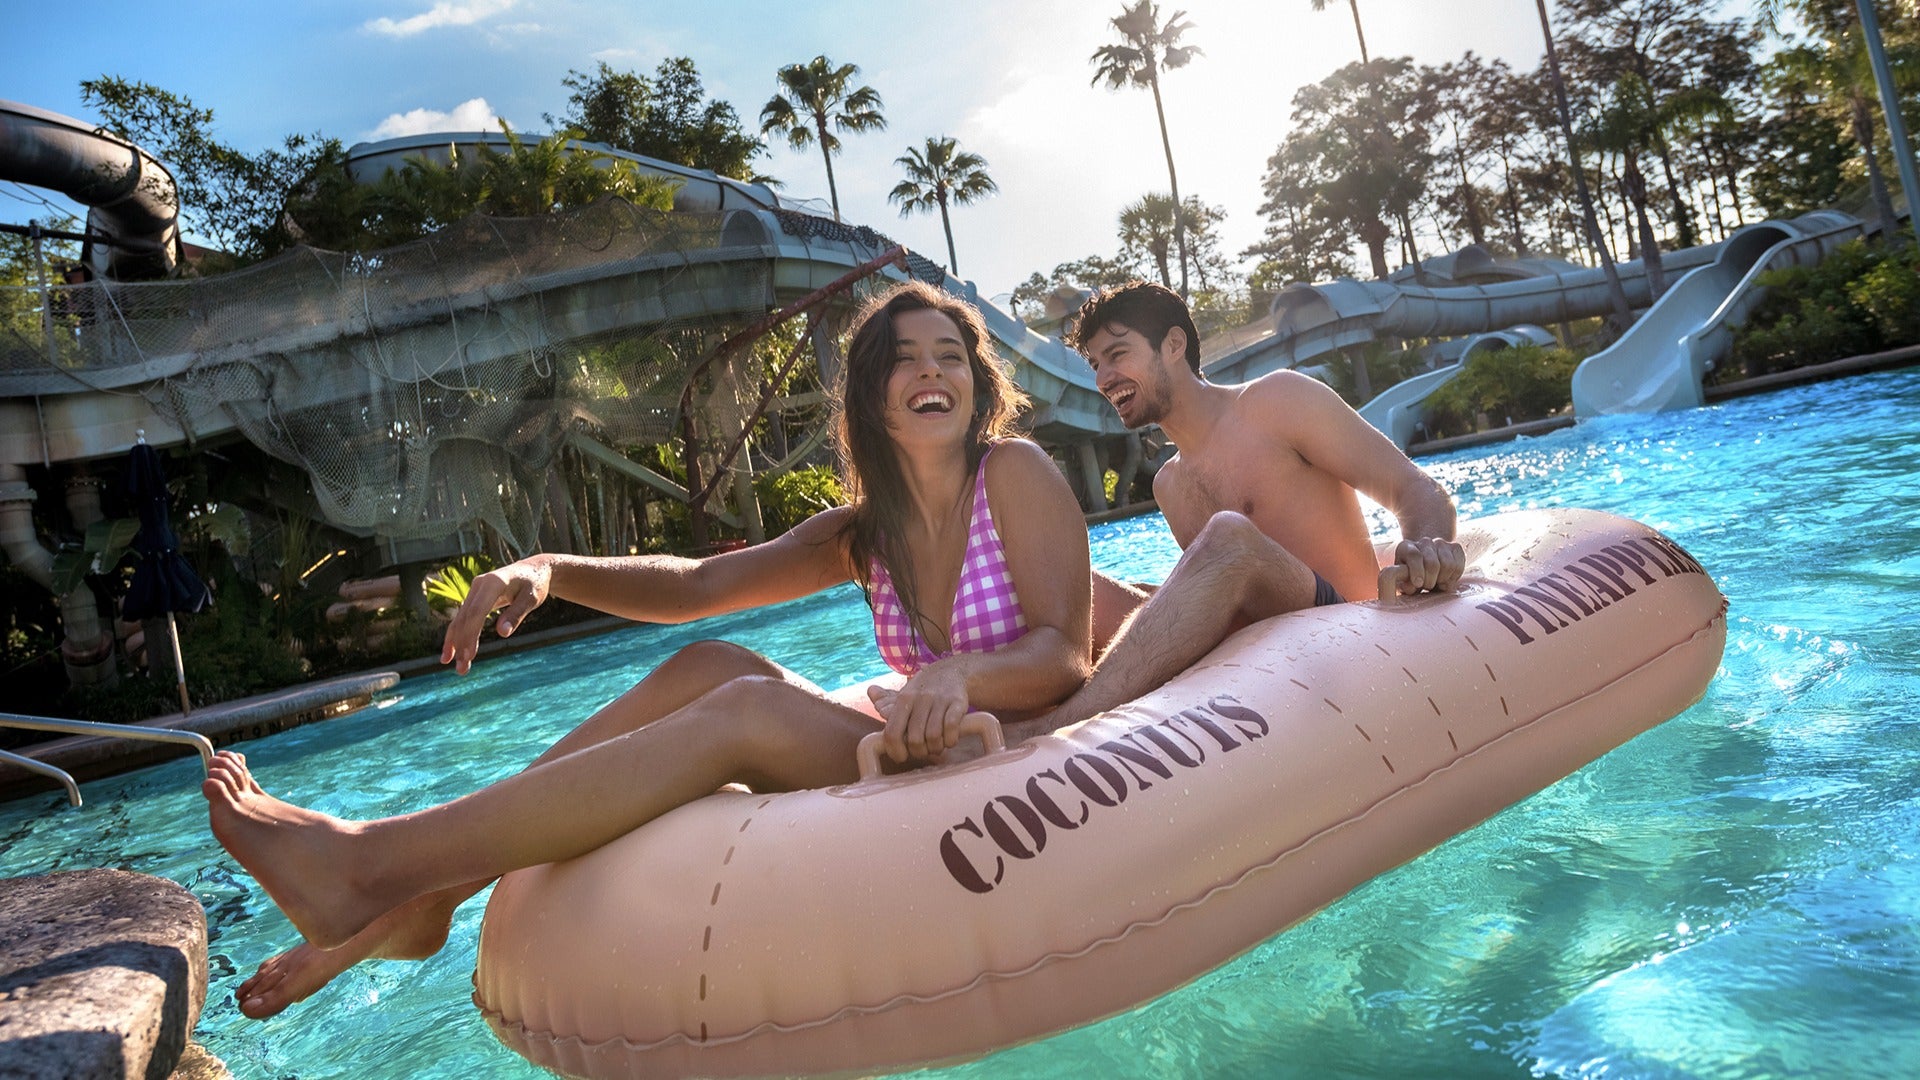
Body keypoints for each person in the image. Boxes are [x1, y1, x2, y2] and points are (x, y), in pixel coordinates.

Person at [213, 280, 1093, 1017]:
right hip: (914, 749)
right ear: (870, 393)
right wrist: (548, 570)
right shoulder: (864, 535)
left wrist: (960, 674)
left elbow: (1065, 658)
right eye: (905, 356)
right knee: (715, 664)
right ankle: (425, 894)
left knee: (746, 706)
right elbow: (692, 587)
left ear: (978, 383)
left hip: (1009, 760)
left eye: (950, 354)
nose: (932, 369)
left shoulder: (1013, 474)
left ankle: (375, 869)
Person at [1014, 280, 1467, 736]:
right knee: (1081, 586)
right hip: (1265, 666)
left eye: (1117, 354)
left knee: (1230, 537)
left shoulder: (1278, 401)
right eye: (1095, 364)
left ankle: (1060, 728)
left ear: (1173, 344)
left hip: (1351, 627)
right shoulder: (1169, 484)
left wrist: (1427, 548)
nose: (1102, 379)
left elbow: (1414, 488)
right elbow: (1229, 604)